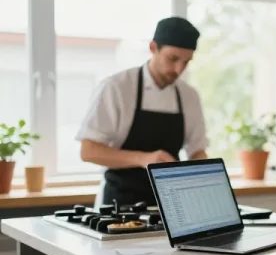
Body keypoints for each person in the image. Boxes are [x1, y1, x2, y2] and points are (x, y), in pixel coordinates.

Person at [77, 16, 209, 208]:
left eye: (186, 62)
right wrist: (144, 159)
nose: (179, 69)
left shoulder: (189, 96)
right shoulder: (117, 88)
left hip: (171, 207)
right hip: (119, 206)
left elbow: (198, 151)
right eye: (172, 59)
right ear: (153, 47)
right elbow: (88, 151)